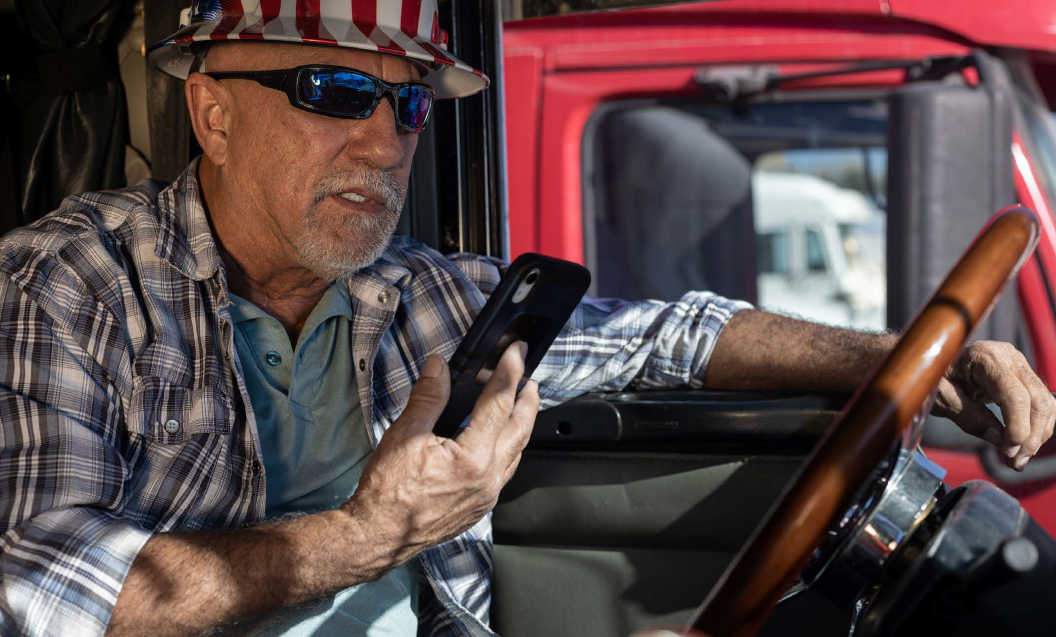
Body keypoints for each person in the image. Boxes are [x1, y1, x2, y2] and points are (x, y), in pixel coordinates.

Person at [1, 1, 1053, 636]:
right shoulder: (71, 286)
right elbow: (51, 599)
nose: (384, 144)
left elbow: (667, 334)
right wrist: (367, 537)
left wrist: (908, 359)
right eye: (333, 90)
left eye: (409, 105)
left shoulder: (423, 294)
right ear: (213, 111)